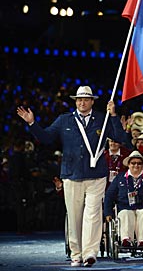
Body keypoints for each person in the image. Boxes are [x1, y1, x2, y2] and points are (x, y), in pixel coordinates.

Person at [16, 85, 125, 267]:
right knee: (74, 217)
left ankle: (90, 253)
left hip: (96, 174)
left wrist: (113, 116)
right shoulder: (64, 120)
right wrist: (32, 124)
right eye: (79, 99)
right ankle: (76, 254)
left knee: (93, 215)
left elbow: (120, 137)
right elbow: (46, 138)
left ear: (92, 101)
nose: (82, 102)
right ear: (76, 101)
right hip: (71, 174)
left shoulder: (102, 118)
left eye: (86, 99)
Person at [104, 150, 143, 248]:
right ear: (128, 164)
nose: (136, 165)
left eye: (139, 163)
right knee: (125, 214)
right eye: (133, 163)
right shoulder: (120, 178)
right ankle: (126, 240)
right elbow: (109, 195)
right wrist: (108, 213)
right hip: (125, 207)